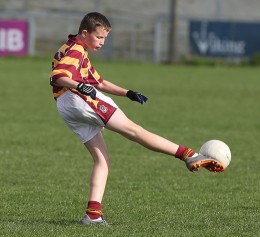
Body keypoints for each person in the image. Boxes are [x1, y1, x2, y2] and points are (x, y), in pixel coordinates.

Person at [50, 12, 224, 226]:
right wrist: (79, 86)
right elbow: (57, 76)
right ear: (85, 33)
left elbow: (99, 82)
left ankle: (93, 215)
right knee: (134, 131)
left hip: (66, 107)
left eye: (105, 38)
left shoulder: (73, 47)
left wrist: (128, 93)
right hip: (79, 100)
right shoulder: (77, 50)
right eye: (99, 37)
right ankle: (189, 155)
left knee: (102, 160)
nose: (102, 42)